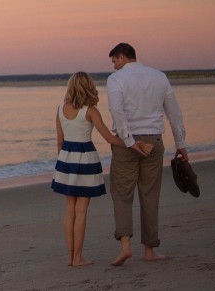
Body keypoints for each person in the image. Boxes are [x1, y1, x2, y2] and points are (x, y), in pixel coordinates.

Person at [51, 72, 148, 267]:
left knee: (70, 209)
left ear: (70, 87)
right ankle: (78, 257)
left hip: (65, 160)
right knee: (82, 210)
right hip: (86, 159)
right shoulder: (91, 110)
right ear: (89, 87)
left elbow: (60, 141)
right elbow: (109, 138)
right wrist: (132, 143)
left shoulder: (60, 109)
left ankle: (71, 257)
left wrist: (64, 160)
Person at [106, 43, 188, 266]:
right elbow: (174, 112)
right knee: (150, 195)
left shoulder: (116, 79)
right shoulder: (159, 77)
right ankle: (150, 250)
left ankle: (125, 247)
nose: (114, 66)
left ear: (122, 57)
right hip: (154, 140)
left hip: (127, 143)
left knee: (122, 194)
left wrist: (129, 141)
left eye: (114, 61)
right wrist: (181, 144)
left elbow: (117, 111)